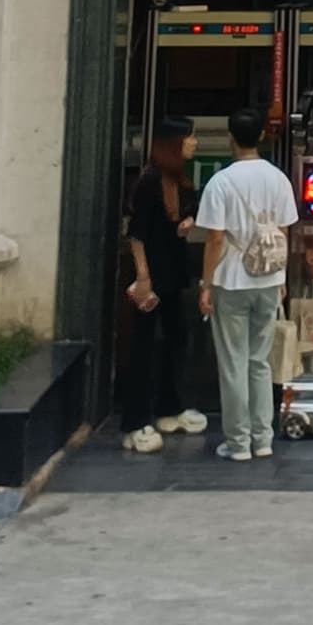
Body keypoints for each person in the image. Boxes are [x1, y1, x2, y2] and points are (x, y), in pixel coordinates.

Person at [190, 106, 299, 464]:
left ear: (230, 139)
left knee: (233, 363)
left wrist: (207, 284)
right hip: (269, 279)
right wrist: (281, 277)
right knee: (260, 361)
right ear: (263, 137)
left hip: (231, 280)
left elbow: (215, 239)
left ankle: (238, 443)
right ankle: (263, 438)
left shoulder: (221, 182)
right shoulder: (278, 179)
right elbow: (283, 232)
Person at [116, 117, 211, 454]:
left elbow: (191, 210)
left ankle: (168, 408)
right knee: (142, 347)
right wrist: (142, 277)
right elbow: (137, 234)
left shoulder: (178, 181)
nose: (194, 143)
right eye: (189, 138)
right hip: (152, 276)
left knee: (176, 339)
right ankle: (134, 422)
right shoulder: (150, 181)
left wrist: (190, 220)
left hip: (172, 275)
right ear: (174, 142)